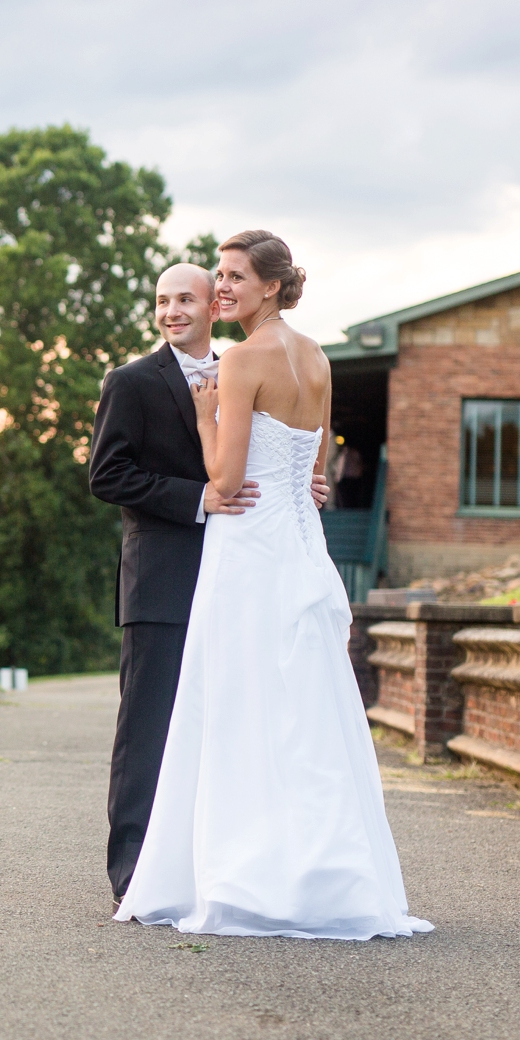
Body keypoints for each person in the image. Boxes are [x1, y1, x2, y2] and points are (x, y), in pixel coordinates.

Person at [115, 230, 431, 940]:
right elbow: (317, 459)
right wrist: (309, 479)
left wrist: (206, 417)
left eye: (232, 278)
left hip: (248, 551)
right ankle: (321, 870)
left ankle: (242, 872)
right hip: (300, 546)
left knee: (238, 706)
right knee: (304, 712)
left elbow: (226, 482)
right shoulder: (315, 355)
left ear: (270, 286)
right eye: (219, 277)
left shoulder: (245, 361)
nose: (219, 289)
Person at [88, 262, 325, 903]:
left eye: (185, 299)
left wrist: (305, 483)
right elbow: (108, 477)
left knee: (218, 726)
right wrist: (200, 499)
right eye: (162, 300)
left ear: (211, 308)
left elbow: (272, 457)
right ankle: (134, 876)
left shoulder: (244, 368)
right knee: (150, 730)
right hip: (161, 582)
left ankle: (201, 867)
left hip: (239, 577)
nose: (172, 310)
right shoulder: (131, 381)